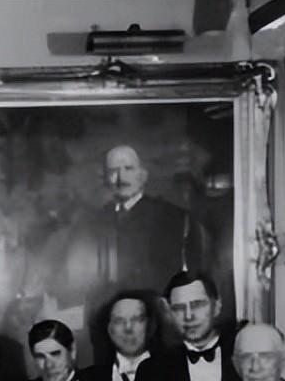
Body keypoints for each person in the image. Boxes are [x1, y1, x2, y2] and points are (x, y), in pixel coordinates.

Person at [81, 145, 206, 353]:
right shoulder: (95, 221)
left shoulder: (172, 217)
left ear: (143, 175)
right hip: (108, 327)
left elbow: (188, 276)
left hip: (156, 326)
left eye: (128, 169)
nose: (121, 177)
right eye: (113, 171)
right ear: (105, 179)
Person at [80, 291, 160, 381]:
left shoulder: (174, 371)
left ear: (150, 325)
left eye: (137, 319)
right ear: (109, 329)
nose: (128, 328)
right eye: (119, 321)